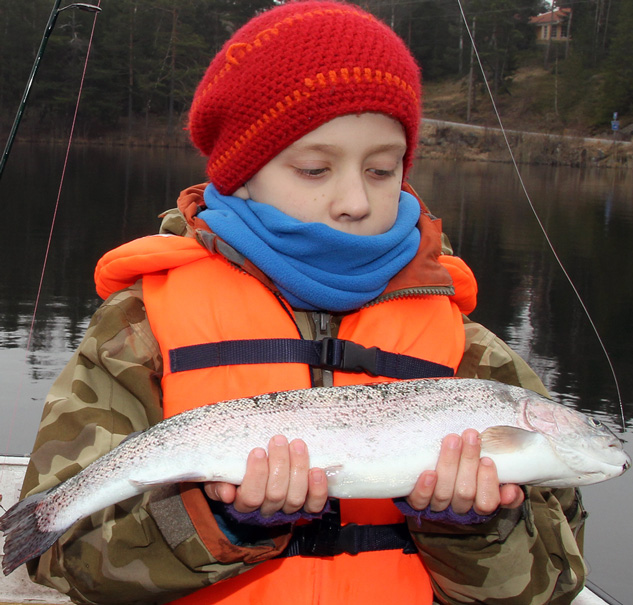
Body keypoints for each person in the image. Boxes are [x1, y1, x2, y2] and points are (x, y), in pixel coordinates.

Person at [20, 2, 587, 603]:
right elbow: (67, 559)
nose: (355, 201)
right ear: (241, 176)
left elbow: (553, 582)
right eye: (316, 169)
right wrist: (222, 523)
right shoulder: (139, 328)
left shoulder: (468, 352)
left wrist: (471, 527)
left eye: (382, 169)